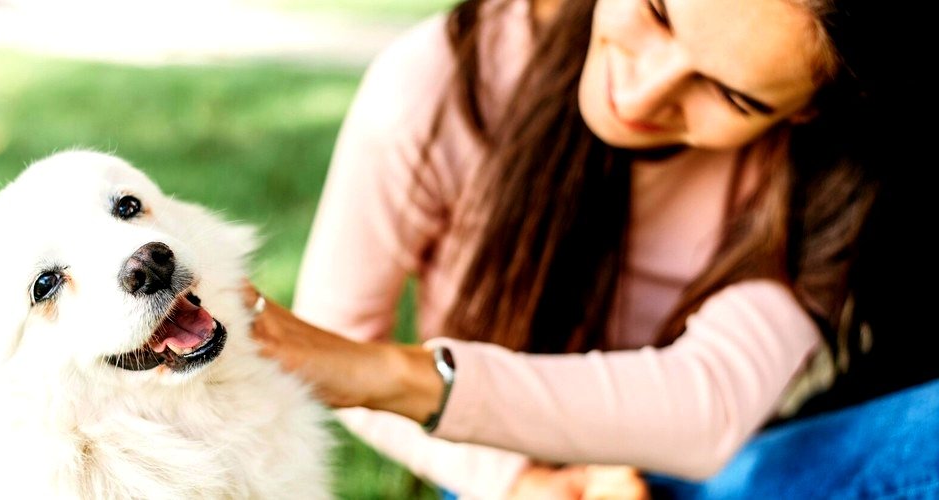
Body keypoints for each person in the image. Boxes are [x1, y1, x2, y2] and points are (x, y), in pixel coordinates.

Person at [246, 0, 937, 497]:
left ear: (805, 107)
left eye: (731, 95)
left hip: (727, 472)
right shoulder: (441, 81)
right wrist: (519, 482)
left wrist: (402, 376)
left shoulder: (820, 169)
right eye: (660, 12)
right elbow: (336, 350)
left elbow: (710, 406)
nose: (641, 92)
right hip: (515, 472)